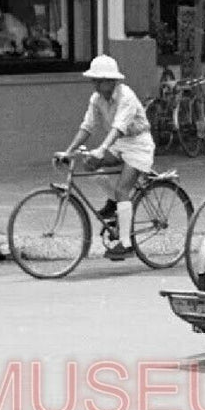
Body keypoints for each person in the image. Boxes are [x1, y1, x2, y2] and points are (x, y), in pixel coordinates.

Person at [57, 54, 156, 260]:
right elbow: (87, 126)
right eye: (94, 80)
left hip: (138, 145)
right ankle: (114, 204)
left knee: (122, 189)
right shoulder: (97, 99)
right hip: (120, 144)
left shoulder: (126, 97)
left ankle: (126, 243)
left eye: (99, 80)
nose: (95, 84)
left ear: (112, 80)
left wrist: (102, 148)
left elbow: (119, 127)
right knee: (91, 165)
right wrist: (68, 151)